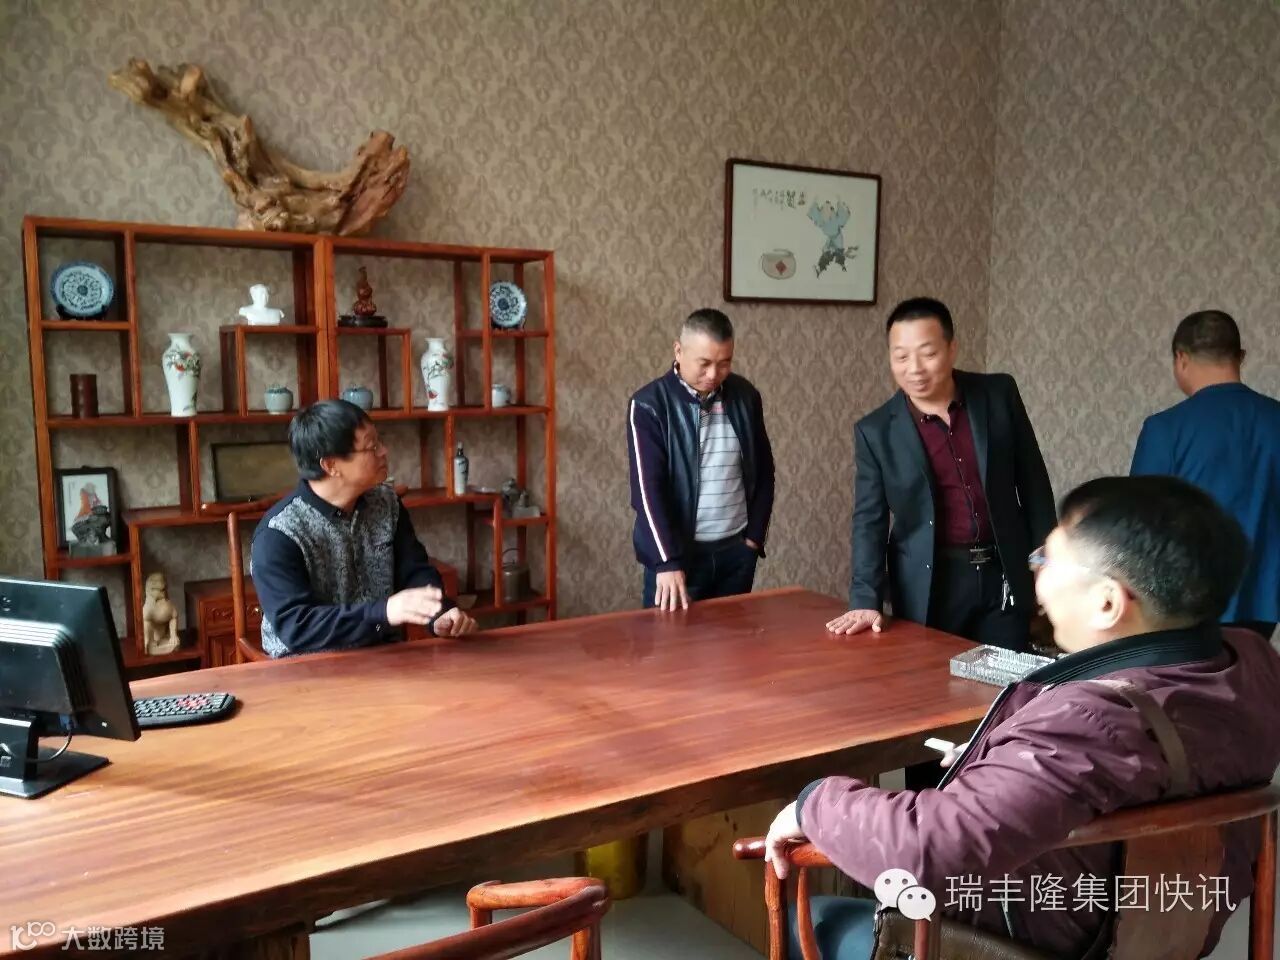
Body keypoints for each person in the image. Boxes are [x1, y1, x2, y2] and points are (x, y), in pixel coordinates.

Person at [765, 476, 1280, 959]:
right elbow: (1145, 767)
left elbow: (927, 849)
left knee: (805, 916)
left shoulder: (1089, 722)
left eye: (1046, 560)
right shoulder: (1252, 662)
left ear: (1106, 603)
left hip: (1025, 942)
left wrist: (812, 803)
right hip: (1157, 927)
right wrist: (1005, 763)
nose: (1036, 578)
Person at [827, 297, 1056, 653]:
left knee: (1009, 677)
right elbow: (869, 519)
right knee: (932, 676)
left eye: (928, 354)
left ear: (951, 349)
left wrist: (1045, 556)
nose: (914, 369)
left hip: (1003, 571)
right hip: (931, 580)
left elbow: (1032, 479)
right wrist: (865, 598)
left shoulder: (998, 394)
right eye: (901, 357)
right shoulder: (875, 431)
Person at [252, 399, 475, 657]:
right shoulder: (279, 533)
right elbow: (297, 626)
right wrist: (383, 612)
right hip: (305, 666)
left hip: (381, 654)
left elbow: (414, 570)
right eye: (372, 446)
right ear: (331, 465)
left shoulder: (386, 503)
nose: (384, 451)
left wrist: (438, 613)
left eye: (380, 442)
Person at [1131, 309, 1280, 640]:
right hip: (1264, 598)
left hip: (1185, 600)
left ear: (1181, 358)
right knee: (1248, 671)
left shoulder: (1165, 429)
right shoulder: (1275, 419)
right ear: (1240, 356)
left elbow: (1140, 526)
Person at [627, 308, 775, 611]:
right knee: (668, 642)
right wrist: (667, 560)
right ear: (678, 351)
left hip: (736, 554)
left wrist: (754, 540)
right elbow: (647, 492)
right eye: (704, 363)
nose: (713, 375)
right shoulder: (649, 405)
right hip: (678, 559)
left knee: (734, 641)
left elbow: (764, 471)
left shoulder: (746, 396)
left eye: (724, 363)